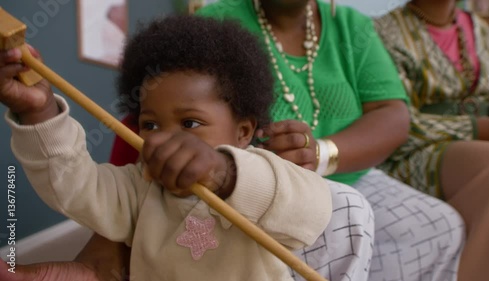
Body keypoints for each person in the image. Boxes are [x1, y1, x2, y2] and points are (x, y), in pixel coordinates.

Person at [89, 1, 465, 280]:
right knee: (342, 215)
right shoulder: (215, 20)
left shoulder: (352, 27)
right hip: (253, 189)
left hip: (353, 174)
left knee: (441, 226)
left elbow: (393, 113)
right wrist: (109, 233)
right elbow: (153, 115)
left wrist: (323, 153)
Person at [0, 15, 376, 281]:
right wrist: (39, 111)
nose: (164, 138)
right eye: (150, 125)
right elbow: (72, 185)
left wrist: (222, 172)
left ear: (243, 131)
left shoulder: (265, 175)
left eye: (190, 123)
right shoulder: (140, 185)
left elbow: (309, 210)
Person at [374, 1, 489, 280]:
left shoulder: (478, 28)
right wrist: (482, 129)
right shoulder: (384, 31)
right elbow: (398, 125)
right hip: (413, 152)